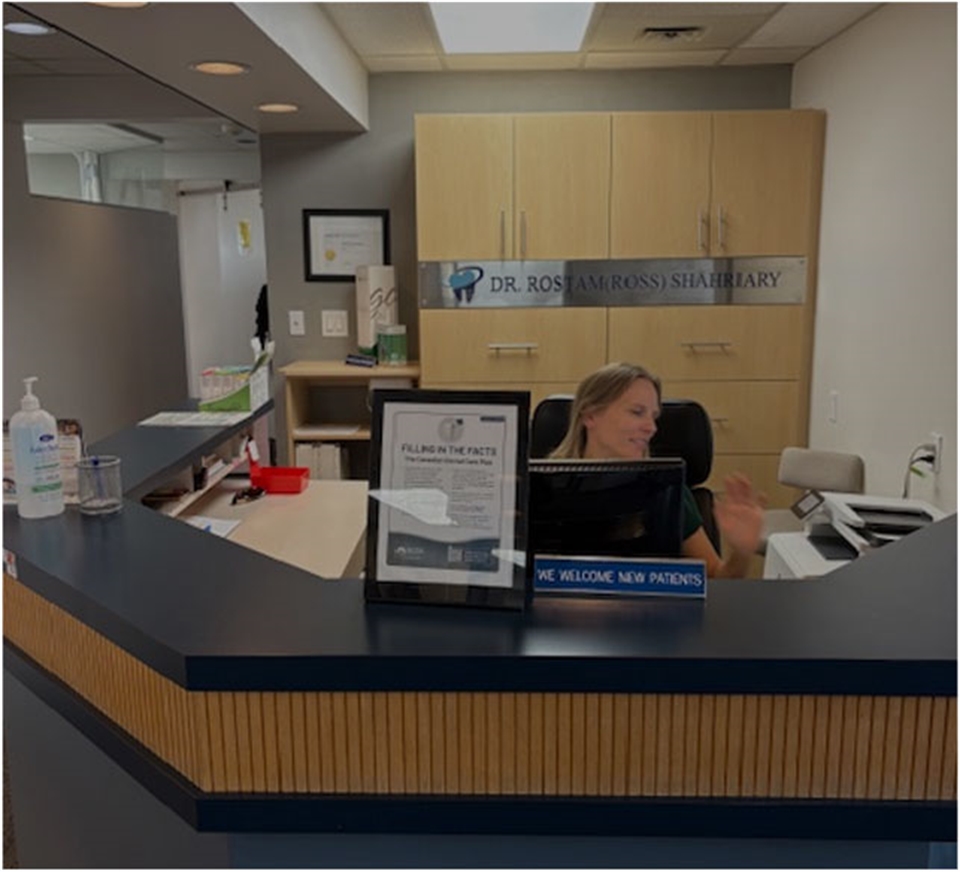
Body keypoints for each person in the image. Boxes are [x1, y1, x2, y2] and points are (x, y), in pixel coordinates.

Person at [551, 362, 765, 578]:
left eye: (653, 416)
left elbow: (715, 578)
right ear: (590, 415)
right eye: (637, 412)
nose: (651, 428)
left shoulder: (666, 490)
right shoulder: (544, 488)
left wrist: (741, 553)